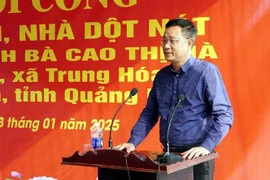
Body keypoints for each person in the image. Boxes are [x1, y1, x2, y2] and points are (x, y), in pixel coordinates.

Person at [114, 18, 233, 180]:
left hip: (196, 157)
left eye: (172, 41)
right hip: (168, 156)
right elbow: (149, 114)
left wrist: (206, 146)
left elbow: (225, 115)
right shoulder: (161, 76)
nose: (166, 46)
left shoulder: (205, 72)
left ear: (189, 43)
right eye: (164, 40)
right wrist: (132, 142)